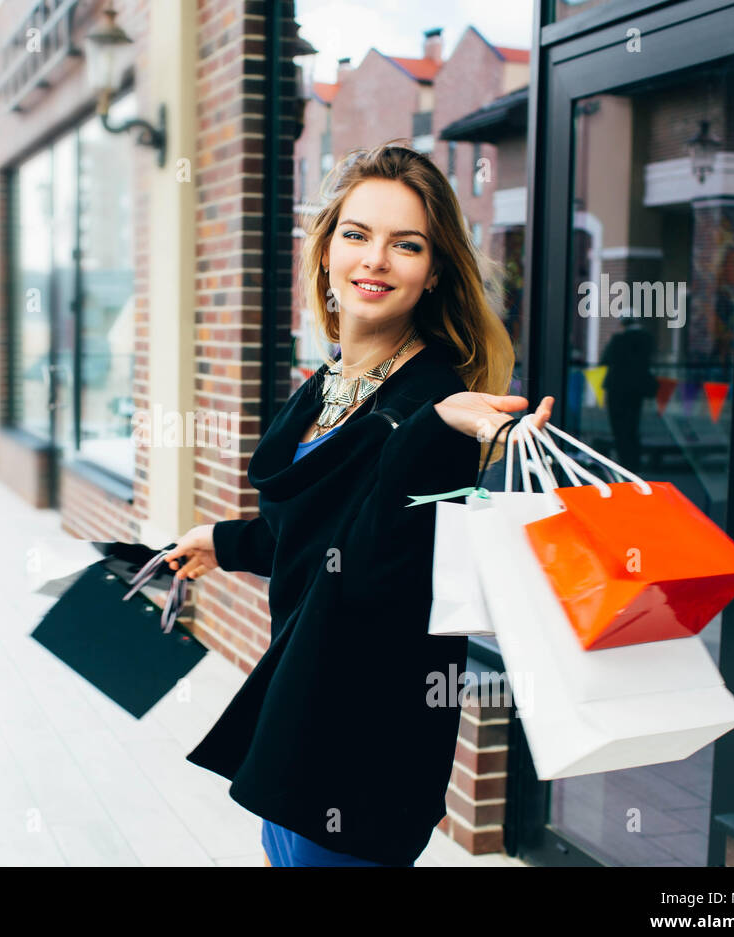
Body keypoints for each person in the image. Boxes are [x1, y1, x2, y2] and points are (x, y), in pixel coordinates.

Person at [162, 142, 553, 867]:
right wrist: (224, 541)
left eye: (406, 245)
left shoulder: (437, 403)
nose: (375, 259)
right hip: (297, 716)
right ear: (326, 252)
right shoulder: (331, 380)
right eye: (357, 234)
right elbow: (315, 531)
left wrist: (438, 433)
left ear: (434, 272)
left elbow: (375, 578)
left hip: (365, 746)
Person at [599, 313, 656, 471]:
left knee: (619, 427)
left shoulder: (619, 340)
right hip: (636, 390)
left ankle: (625, 462)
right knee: (633, 425)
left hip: (617, 390)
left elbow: (605, 359)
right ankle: (634, 462)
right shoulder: (647, 339)